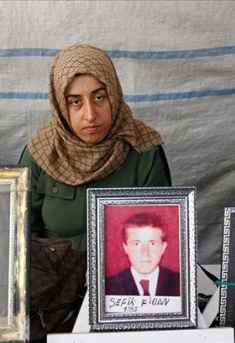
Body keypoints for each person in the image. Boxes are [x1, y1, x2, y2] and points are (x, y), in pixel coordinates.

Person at [18, 44, 171, 252]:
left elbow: (160, 234)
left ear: (114, 95)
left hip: (126, 271)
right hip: (55, 272)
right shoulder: (42, 152)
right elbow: (23, 239)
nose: (90, 115)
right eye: (75, 102)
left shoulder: (144, 150)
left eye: (99, 98)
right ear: (61, 106)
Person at [105, 212, 179, 296]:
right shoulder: (107, 287)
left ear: (163, 247)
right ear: (126, 248)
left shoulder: (182, 284)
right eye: (136, 243)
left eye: (152, 243)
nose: (145, 252)